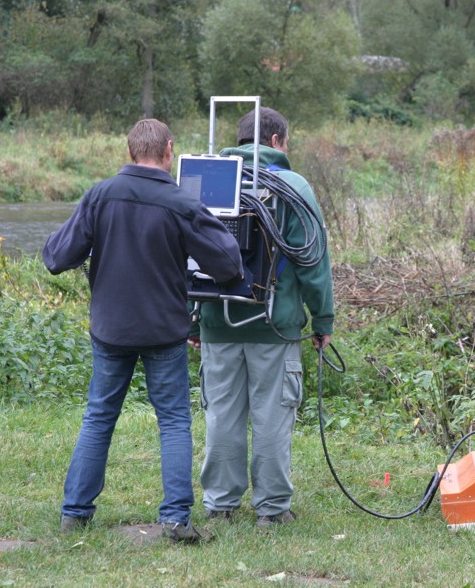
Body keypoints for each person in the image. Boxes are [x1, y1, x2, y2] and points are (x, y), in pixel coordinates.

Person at [43, 118, 243, 542]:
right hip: (163, 329)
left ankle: (75, 514)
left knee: (98, 417)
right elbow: (228, 265)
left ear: (129, 150)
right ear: (169, 150)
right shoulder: (181, 202)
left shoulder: (100, 195)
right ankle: (174, 519)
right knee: (173, 421)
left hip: (111, 329)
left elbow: (57, 257)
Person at [193, 107, 335, 528]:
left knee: (222, 414)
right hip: (276, 324)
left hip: (217, 320)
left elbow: (181, 254)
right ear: (276, 141)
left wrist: (190, 317)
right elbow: (313, 260)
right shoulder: (293, 186)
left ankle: (220, 505)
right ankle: (272, 511)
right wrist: (322, 319)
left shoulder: (206, 178)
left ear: (239, 141)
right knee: (273, 416)